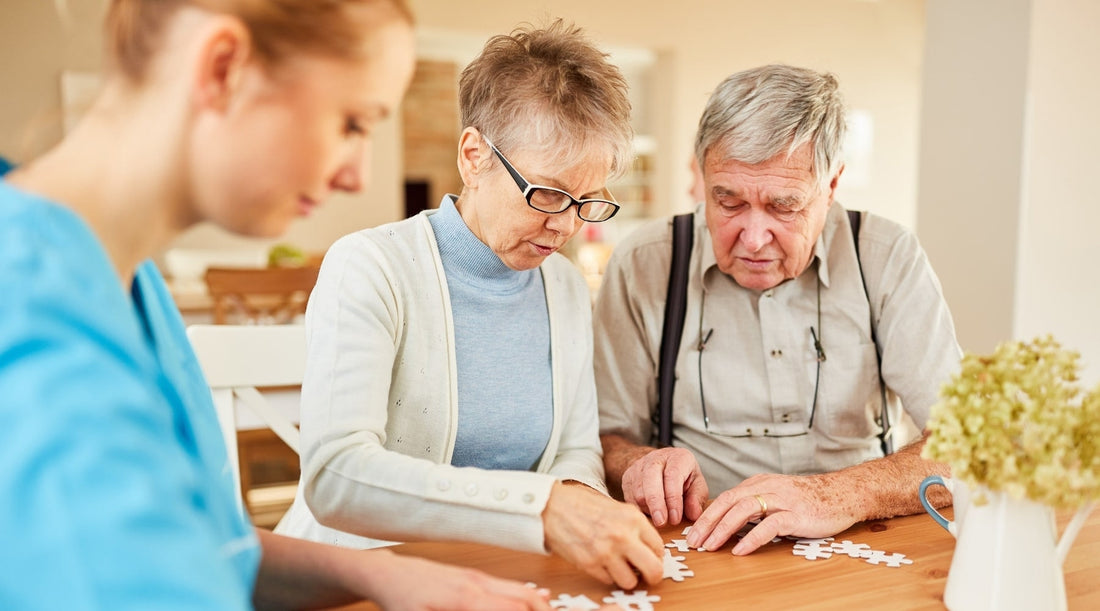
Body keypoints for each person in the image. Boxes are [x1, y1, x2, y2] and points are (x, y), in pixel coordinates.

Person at [0, 1, 557, 609]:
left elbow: (208, 548)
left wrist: (380, 575)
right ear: (223, 68)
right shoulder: (33, 321)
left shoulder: (127, 283)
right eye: (352, 123)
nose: (357, 175)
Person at [276, 20, 664, 590]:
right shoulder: (369, 266)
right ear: (474, 155)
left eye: (586, 201)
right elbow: (337, 477)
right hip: (362, 580)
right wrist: (543, 509)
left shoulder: (563, 286)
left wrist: (584, 503)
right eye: (548, 193)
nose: (564, 225)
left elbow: (576, 450)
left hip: (508, 577)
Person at [594, 64, 961, 557]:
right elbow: (605, 437)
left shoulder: (886, 256)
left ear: (831, 187)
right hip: (702, 548)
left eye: (784, 206)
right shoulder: (645, 262)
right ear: (702, 176)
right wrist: (637, 462)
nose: (753, 237)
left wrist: (834, 495)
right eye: (728, 201)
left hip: (867, 541)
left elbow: (970, 446)